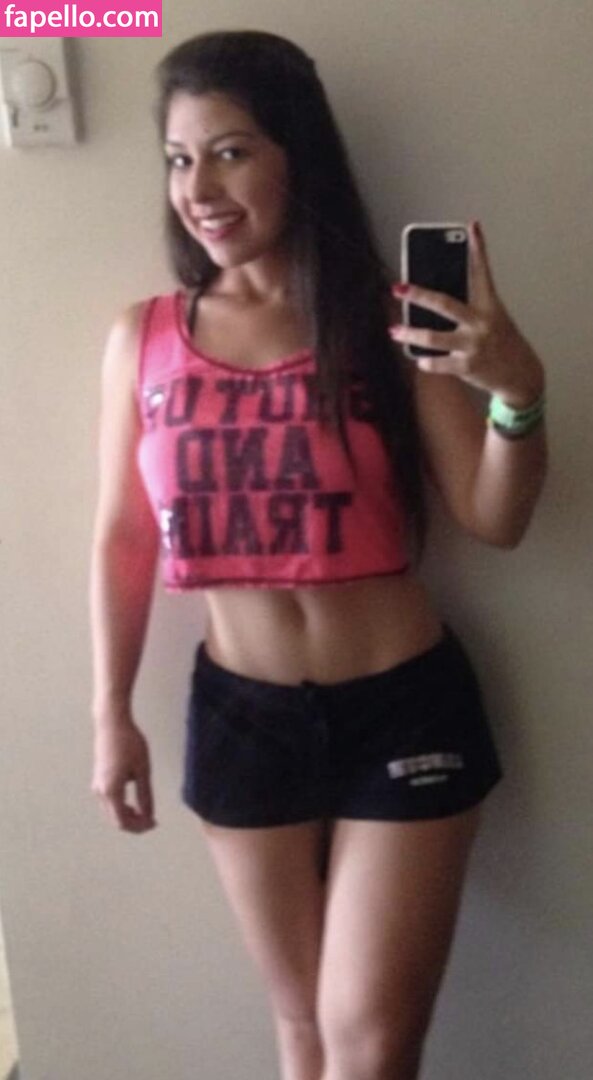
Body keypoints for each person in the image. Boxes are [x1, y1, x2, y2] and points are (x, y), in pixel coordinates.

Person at [89, 29, 547, 1080]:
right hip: (241, 717)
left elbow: (494, 518)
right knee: (300, 1034)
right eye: (178, 159)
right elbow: (122, 535)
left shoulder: (384, 323)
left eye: (231, 151)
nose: (198, 189)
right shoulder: (142, 336)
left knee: (367, 1045)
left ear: (296, 155)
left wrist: (516, 395)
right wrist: (111, 714)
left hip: (402, 707)